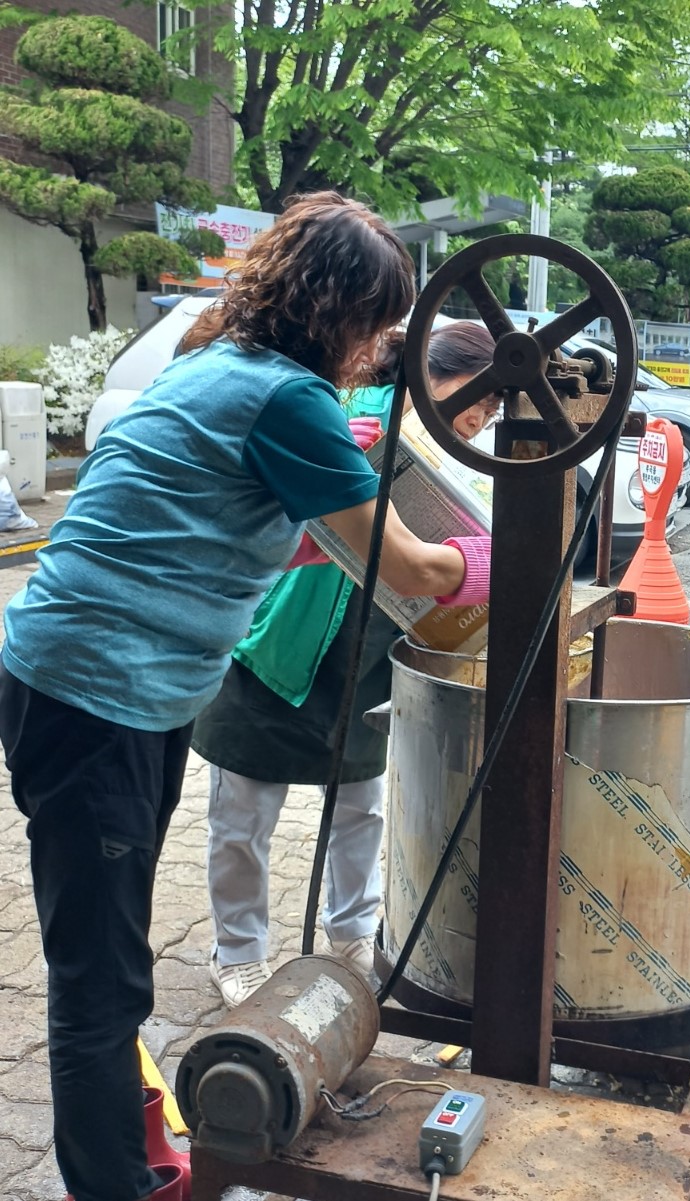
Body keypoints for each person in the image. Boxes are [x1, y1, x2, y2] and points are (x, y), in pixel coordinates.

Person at [0, 193, 488, 1201]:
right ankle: (116, 1187)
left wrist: (354, 509)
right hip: (98, 694)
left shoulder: (214, 366)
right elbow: (401, 567)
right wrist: (476, 564)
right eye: (376, 322)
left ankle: (140, 1150)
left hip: (108, 685)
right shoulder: (285, 399)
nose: (380, 346)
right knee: (99, 980)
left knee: (116, 947)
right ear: (334, 310)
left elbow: (244, 529)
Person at [195, 322, 501, 1006]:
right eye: (479, 393)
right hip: (280, 646)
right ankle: (238, 949)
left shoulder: (454, 459)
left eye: (497, 406)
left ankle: (352, 931)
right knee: (243, 813)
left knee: (359, 805)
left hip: (366, 656)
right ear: (429, 370)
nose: (485, 415)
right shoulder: (347, 421)